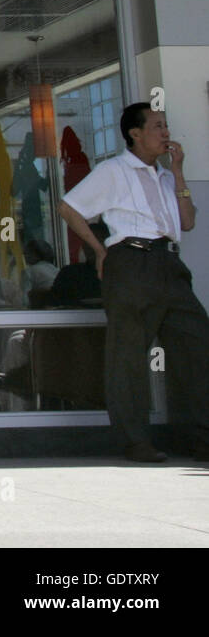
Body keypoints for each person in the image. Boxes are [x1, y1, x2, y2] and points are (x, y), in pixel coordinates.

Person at [58, 102, 209, 463]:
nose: (165, 132)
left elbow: (186, 222)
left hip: (169, 263)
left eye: (166, 126)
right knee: (128, 355)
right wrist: (99, 251)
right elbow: (69, 207)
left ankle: (199, 436)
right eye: (157, 126)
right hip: (130, 261)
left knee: (197, 344)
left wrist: (179, 172)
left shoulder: (167, 176)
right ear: (135, 134)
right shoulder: (114, 170)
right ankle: (136, 441)